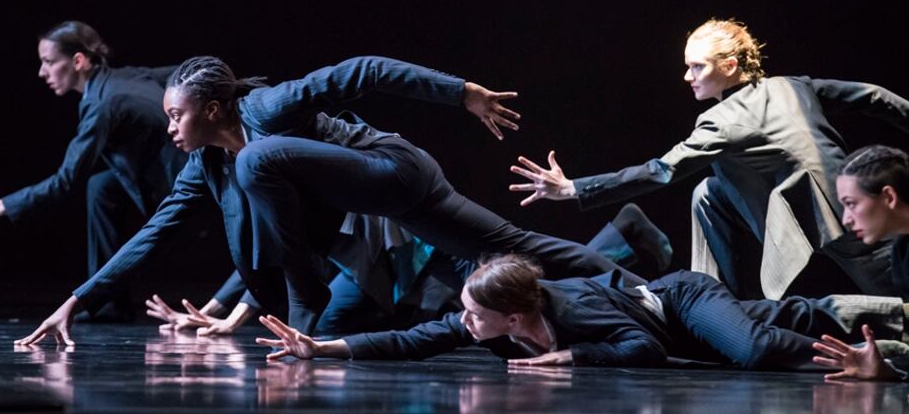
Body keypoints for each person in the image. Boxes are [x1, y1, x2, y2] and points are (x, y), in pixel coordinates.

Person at [15, 55, 649, 346]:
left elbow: (363, 71)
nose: (172, 130)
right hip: (404, 207)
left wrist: (461, 94)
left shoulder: (265, 108)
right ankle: (645, 287)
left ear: (212, 108)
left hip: (393, 168)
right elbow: (154, 233)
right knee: (518, 250)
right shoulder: (206, 164)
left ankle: (305, 299)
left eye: (178, 116)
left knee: (258, 161)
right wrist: (77, 298)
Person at [510, 18, 909, 300]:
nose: (688, 76)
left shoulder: (721, 121)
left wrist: (572, 188)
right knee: (709, 191)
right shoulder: (792, 85)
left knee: (898, 295)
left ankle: (728, 308)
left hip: (829, 215)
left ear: (730, 66)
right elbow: (874, 96)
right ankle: (725, 299)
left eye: (697, 66)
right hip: (841, 197)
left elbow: (661, 171)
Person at [257, 254, 908, 374]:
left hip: (682, 300)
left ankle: (869, 359)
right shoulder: (485, 323)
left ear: (512, 317)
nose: (462, 322)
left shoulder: (572, 312)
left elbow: (642, 351)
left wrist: (570, 356)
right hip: (682, 326)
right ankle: (870, 317)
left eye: (473, 315)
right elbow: (408, 341)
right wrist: (323, 348)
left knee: (756, 350)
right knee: (787, 317)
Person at [0, 21, 186, 321]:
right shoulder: (126, 77)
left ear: (78, 61)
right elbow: (183, 71)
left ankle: (106, 301)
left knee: (97, 184)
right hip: (161, 172)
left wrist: (1, 206)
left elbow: (65, 181)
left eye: (48, 62)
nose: (41, 72)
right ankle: (110, 305)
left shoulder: (101, 104)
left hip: (181, 185)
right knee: (101, 186)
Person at [148, 204, 673, 336]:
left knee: (528, 290)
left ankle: (624, 249)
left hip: (409, 250)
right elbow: (264, 250)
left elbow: (277, 248)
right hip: (365, 259)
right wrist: (218, 311)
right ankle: (621, 241)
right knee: (332, 325)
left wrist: (230, 316)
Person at [813, 145, 909, 381]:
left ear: (889, 197)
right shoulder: (902, 251)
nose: (845, 219)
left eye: (851, 203)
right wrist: (889, 368)